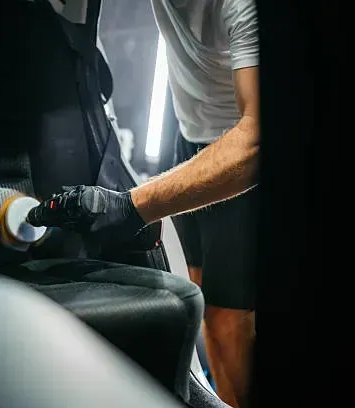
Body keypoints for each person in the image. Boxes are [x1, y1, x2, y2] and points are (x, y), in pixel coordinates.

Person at [36, 1, 260, 407]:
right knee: (198, 292)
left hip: (235, 154)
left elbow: (256, 139)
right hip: (189, 131)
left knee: (227, 320)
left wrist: (133, 207)